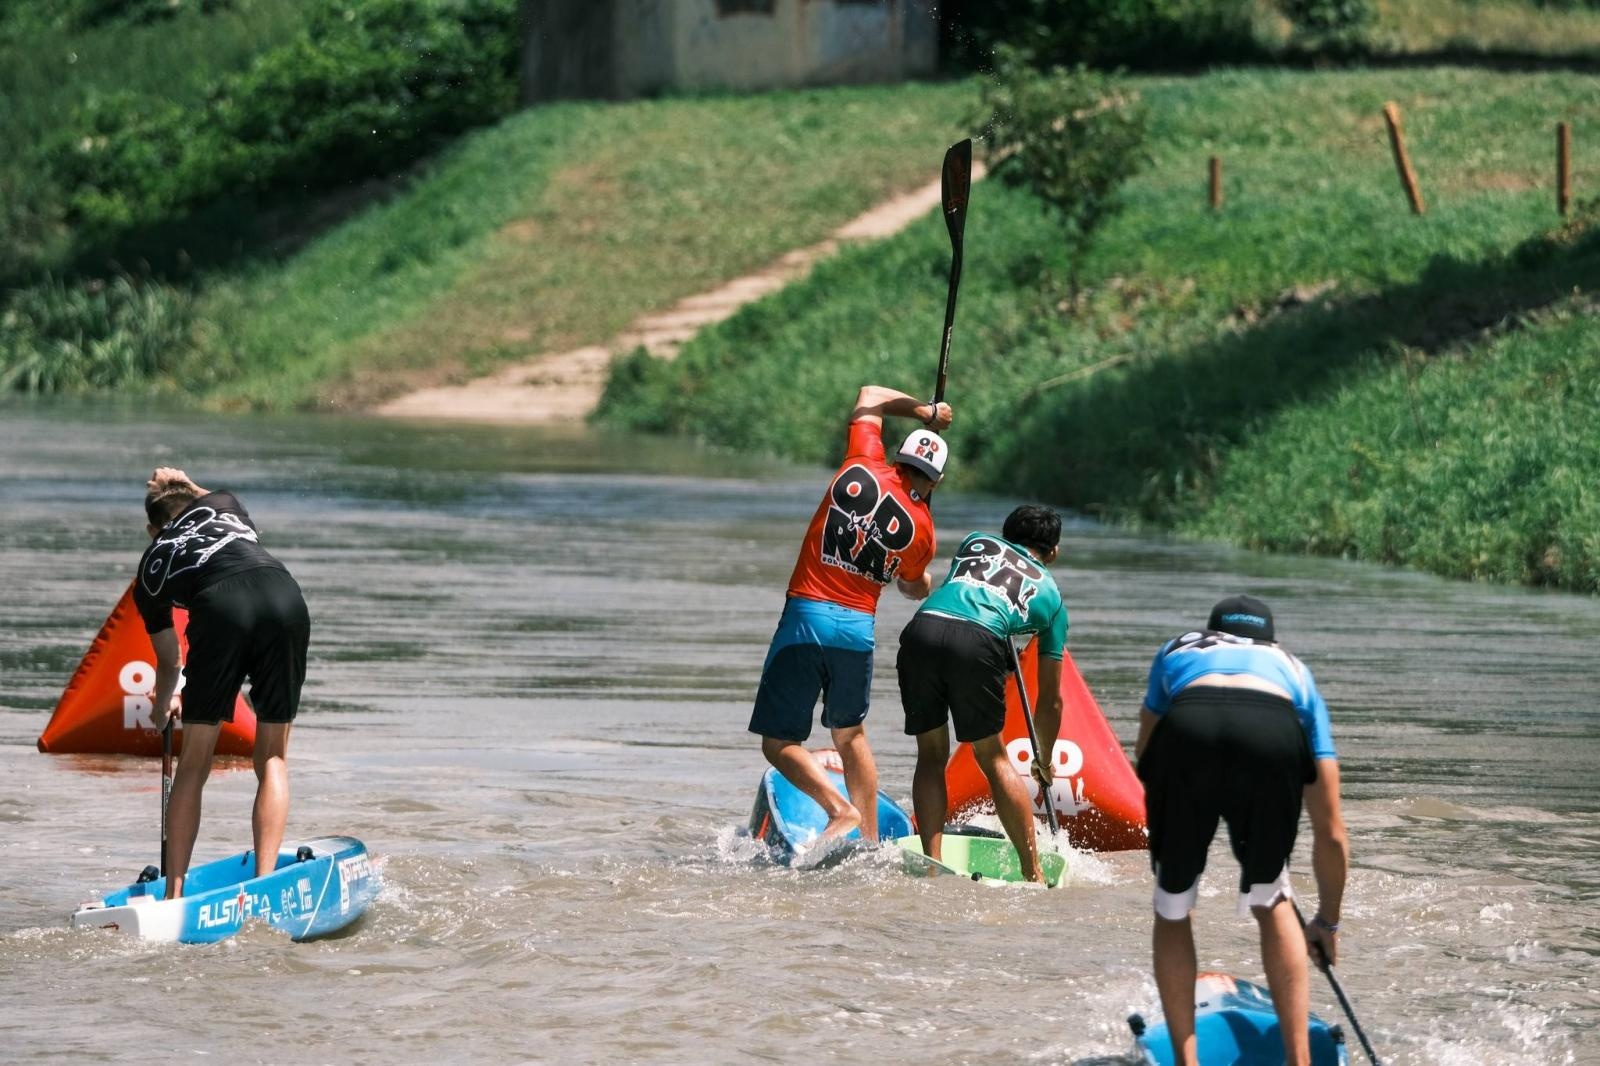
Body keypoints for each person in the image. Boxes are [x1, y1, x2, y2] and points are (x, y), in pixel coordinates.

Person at [1135, 595, 1350, 1066]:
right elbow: (1331, 831)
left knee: (1173, 904)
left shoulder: (1178, 649)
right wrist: (1326, 922)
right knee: (1272, 898)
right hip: (1272, 731)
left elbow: (1146, 752)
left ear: (1212, 631)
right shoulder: (1293, 670)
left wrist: (1179, 816)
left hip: (1188, 726)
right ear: (1269, 640)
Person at [749, 385, 952, 849]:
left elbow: (871, 394)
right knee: (850, 735)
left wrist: (925, 410)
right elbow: (912, 586)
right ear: (935, 481)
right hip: (856, 630)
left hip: (805, 617)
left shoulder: (861, 463)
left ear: (897, 455)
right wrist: (920, 575)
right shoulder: (924, 532)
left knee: (777, 743)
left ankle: (839, 810)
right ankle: (870, 843)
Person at [133, 468, 310, 900]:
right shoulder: (224, 505)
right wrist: (184, 481)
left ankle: (173, 897)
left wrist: (161, 709)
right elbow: (202, 494)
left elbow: (170, 657)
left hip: (220, 606)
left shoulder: (152, 567)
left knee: (193, 763)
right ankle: (266, 883)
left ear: (151, 529)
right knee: (272, 757)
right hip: (285, 594)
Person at [896, 504, 1067, 884]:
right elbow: (1051, 698)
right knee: (992, 757)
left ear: (1005, 535)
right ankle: (1032, 872)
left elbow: (966, 593)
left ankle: (932, 863)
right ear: (1053, 552)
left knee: (931, 755)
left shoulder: (976, 542)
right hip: (977, 641)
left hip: (922, 630)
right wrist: (1043, 757)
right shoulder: (1052, 597)